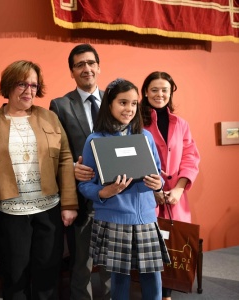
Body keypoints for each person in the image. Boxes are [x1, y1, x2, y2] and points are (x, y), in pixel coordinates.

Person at [0, 60, 78, 300]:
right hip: (9, 213)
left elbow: (66, 159)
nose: (29, 91)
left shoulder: (49, 118)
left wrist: (69, 204)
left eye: (34, 85)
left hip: (48, 210)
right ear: (8, 86)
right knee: (15, 278)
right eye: (21, 84)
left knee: (48, 276)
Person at [78, 78, 170, 300]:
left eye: (133, 103)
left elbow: (158, 175)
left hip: (146, 218)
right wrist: (103, 193)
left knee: (152, 278)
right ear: (109, 103)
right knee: (119, 282)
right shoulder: (95, 140)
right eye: (122, 102)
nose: (129, 109)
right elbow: (85, 184)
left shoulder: (145, 137)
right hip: (114, 219)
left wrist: (158, 184)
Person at [49, 43, 111, 300]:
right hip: (81, 199)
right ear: (72, 72)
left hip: (114, 196)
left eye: (90, 63)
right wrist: (72, 169)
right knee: (81, 264)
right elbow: (55, 151)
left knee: (111, 263)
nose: (86, 69)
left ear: (98, 66)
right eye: (79, 65)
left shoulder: (115, 99)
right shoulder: (60, 105)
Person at [140, 71, 200, 300]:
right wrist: (154, 190)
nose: (159, 94)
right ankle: (152, 292)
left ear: (171, 92)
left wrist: (178, 189)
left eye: (165, 89)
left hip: (175, 197)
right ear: (145, 92)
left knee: (173, 245)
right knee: (150, 247)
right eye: (154, 89)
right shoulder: (137, 121)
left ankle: (166, 294)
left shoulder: (181, 123)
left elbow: (190, 157)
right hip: (147, 195)